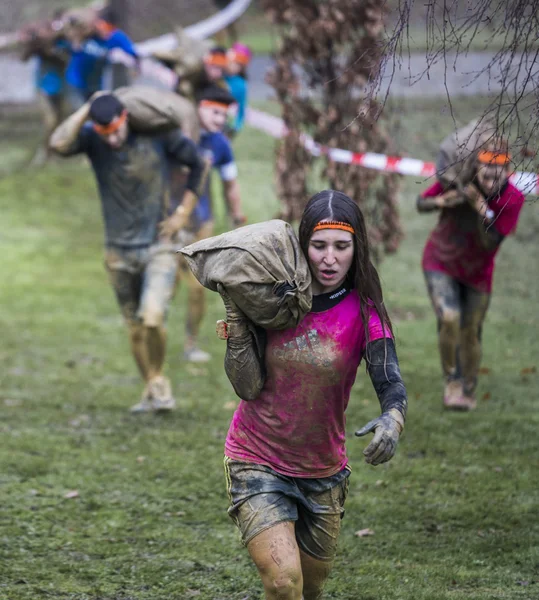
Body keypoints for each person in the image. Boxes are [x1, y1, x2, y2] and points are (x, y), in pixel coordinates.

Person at [216, 190, 408, 600]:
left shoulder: (365, 310)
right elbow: (245, 386)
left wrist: (393, 417)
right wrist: (237, 325)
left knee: (309, 589)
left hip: (323, 472)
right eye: (318, 246)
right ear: (303, 246)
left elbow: (388, 376)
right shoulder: (272, 299)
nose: (329, 258)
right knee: (284, 583)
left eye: (342, 246)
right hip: (257, 459)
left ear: (357, 248)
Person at [49, 92, 205, 413]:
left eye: (116, 131)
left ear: (126, 119)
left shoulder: (158, 135)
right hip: (117, 253)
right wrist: (87, 107)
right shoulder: (93, 141)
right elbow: (59, 144)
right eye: (105, 133)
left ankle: (158, 381)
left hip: (159, 245)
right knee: (134, 328)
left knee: (152, 318)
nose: (112, 139)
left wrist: (182, 213)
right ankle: (152, 384)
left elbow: (198, 164)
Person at [417, 138, 525, 410]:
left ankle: (468, 387)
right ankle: (452, 382)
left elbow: (490, 243)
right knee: (450, 318)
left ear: (508, 169)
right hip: (440, 261)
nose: (491, 176)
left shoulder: (512, 199)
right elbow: (421, 203)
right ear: (475, 167)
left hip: (478, 273)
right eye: (486, 169)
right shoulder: (458, 180)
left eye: (498, 170)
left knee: (471, 332)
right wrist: (445, 200)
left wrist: (481, 210)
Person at [173, 84, 246, 363]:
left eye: (224, 115)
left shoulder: (219, 144)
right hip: (167, 221)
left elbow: (230, 184)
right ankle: (154, 329)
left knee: (196, 289)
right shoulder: (175, 136)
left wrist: (237, 215)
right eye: (215, 113)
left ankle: (190, 344)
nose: (220, 120)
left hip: (200, 224)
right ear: (199, 107)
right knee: (166, 285)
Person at [17, 11, 70, 165]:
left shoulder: (64, 43)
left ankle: (54, 152)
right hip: (43, 88)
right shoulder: (39, 44)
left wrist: (52, 50)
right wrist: (33, 42)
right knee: (50, 121)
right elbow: (24, 58)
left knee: (58, 123)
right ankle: (44, 152)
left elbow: (66, 60)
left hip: (61, 88)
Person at [63, 8, 138, 109]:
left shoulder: (114, 37)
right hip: (77, 83)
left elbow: (132, 53)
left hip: (96, 83)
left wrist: (134, 66)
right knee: (85, 112)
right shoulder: (80, 41)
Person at [225, 42, 252, 137]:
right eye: (233, 62)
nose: (234, 66)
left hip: (224, 122)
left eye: (239, 65)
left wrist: (236, 127)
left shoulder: (241, 85)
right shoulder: (218, 75)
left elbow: (241, 108)